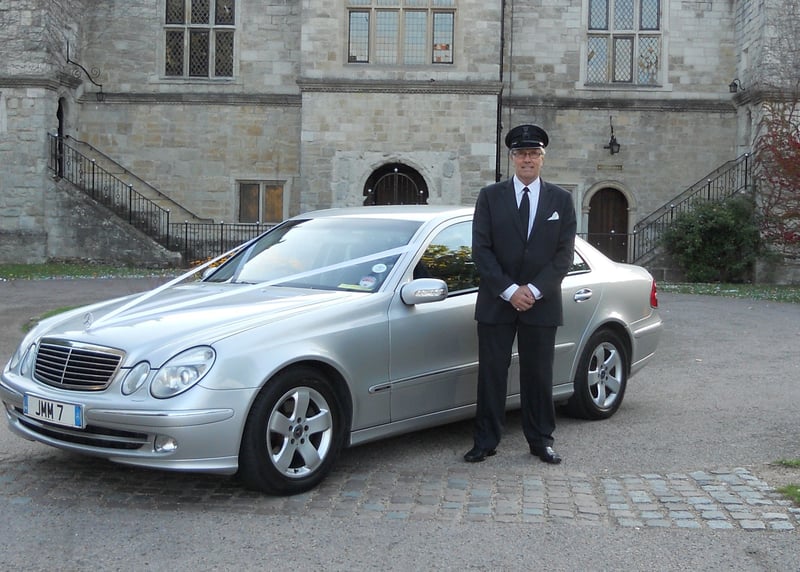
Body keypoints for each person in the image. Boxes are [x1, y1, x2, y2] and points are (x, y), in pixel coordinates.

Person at [465, 124, 577, 464]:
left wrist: (535, 290)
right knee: (491, 375)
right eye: (521, 154)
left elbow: (564, 255)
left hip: (541, 303)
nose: (527, 159)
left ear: (543, 158)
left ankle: (541, 440)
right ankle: (486, 440)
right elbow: (481, 250)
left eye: (533, 154)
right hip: (497, 301)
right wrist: (510, 290)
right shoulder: (490, 197)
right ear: (512, 158)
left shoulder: (561, 200)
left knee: (538, 375)